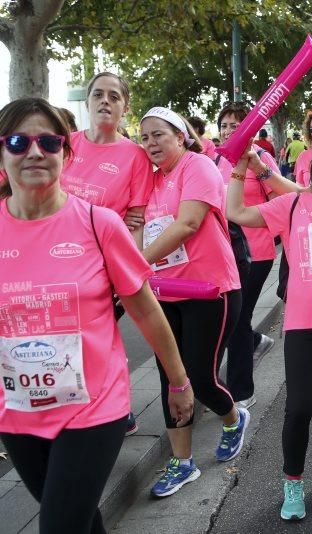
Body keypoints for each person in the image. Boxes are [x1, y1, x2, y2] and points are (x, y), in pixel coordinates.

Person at [0, 97, 193, 534]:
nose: (34, 151)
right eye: (17, 141)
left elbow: (144, 307)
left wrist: (179, 382)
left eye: (48, 142)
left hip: (93, 407)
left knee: (59, 525)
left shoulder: (98, 223)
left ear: (65, 155)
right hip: (17, 411)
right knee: (80, 519)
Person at [227, 133, 312, 521]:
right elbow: (237, 212)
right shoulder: (291, 204)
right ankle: (293, 481)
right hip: (304, 323)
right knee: (298, 407)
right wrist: (241, 168)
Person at [137, 106, 247, 497]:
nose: (150, 142)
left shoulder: (196, 166)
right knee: (171, 378)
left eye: (158, 134)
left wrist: (134, 263)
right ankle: (182, 463)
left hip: (210, 290)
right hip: (164, 292)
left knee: (200, 378)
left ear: (181, 136)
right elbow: (136, 226)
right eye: (144, 136)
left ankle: (233, 417)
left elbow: (188, 223)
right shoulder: (148, 181)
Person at [61, 72, 155, 437]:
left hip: (99, 267)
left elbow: (136, 219)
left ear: (124, 107)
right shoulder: (65, 144)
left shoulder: (134, 156)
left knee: (94, 339)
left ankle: (114, 410)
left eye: (114, 96)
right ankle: (69, 409)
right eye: (98, 94)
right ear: (87, 102)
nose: (105, 101)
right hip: (54, 264)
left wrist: (125, 270)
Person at [215, 101, 278, 409]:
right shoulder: (215, 158)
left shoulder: (261, 158)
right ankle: (255, 342)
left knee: (238, 320)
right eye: (224, 125)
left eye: (235, 125)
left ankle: (241, 392)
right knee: (232, 320)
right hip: (225, 252)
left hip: (258, 252)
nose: (228, 131)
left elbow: (283, 197)